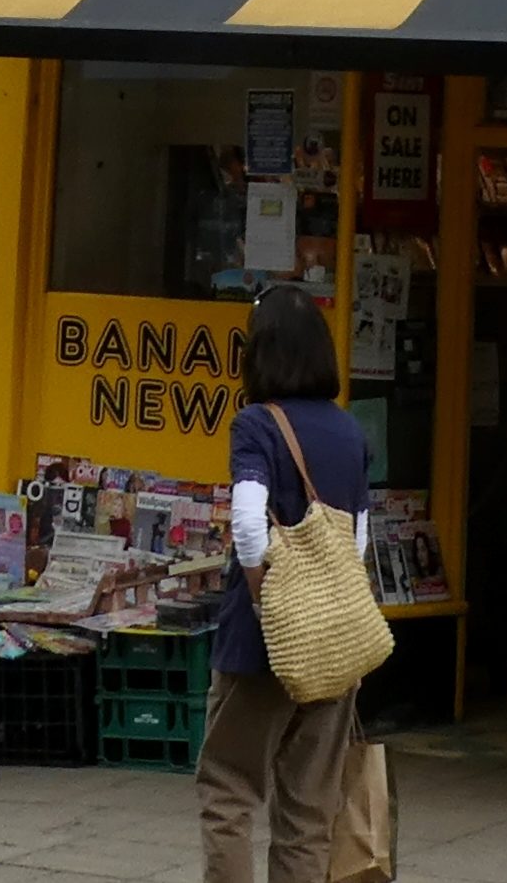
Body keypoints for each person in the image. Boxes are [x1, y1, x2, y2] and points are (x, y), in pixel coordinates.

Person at [196, 284, 373, 883]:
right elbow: (359, 540)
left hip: (260, 646)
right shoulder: (350, 432)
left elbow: (249, 521)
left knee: (228, 789)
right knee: (307, 809)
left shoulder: (257, 424)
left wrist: (268, 599)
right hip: (336, 646)